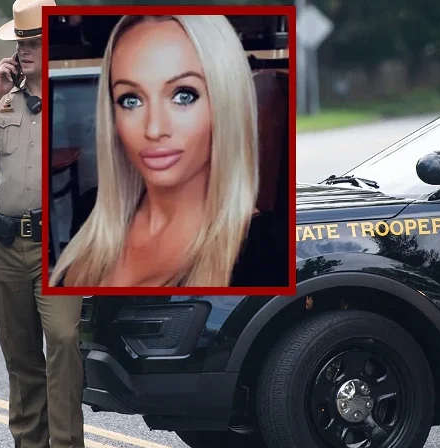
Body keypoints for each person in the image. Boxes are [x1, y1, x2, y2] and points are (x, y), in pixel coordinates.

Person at [49, 14, 287, 288]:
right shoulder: (90, 213)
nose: (153, 128)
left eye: (183, 96)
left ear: (226, 104)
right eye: (131, 100)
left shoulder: (268, 254)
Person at [0, 1, 96, 448]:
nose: (24, 51)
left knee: (64, 339)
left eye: (34, 43)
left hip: (61, 246)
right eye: (21, 43)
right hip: (5, 244)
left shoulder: (77, 100)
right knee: (20, 351)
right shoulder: (3, 102)